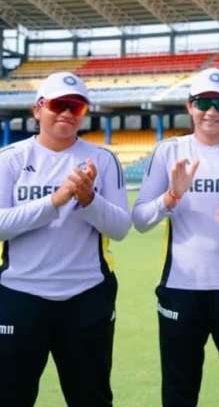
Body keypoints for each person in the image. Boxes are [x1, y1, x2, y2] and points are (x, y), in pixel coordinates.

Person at [132, 68, 219, 407]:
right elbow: (140, 219)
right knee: (179, 391)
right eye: (203, 102)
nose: (212, 111)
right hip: (181, 289)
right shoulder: (169, 151)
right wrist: (171, 197)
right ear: (190, 106)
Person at [0, 72, 131, 406]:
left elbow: (120, 228)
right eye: (59, 105)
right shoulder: (10, 159)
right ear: (38, 109)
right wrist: (55, 201)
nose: (68, 113)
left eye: (77, 107)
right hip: (19, 294)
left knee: (91, 397)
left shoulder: (103, 159)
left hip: (86, 295)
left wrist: (89, 200)